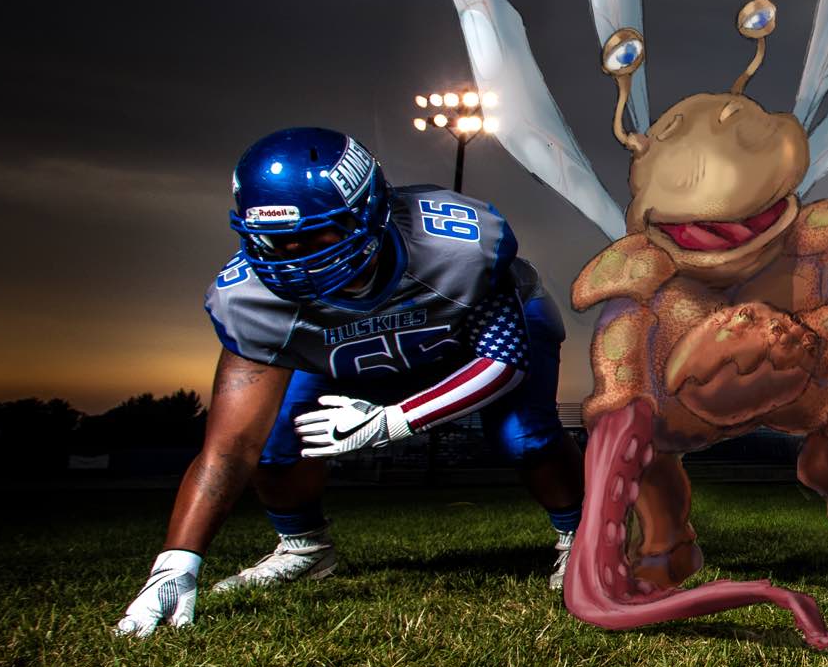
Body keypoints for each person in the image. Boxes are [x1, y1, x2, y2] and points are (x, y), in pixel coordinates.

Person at [115, 127, 585, 635]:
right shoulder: (248, 301)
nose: (295, 256)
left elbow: (504, 363)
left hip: (470, 343)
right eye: (276, 240)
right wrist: (176, 564)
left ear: (370, 210)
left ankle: (580, 535)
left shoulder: (458, 247)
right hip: (348, 362)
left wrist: (394, 421)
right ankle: (304, 547)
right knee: (276, 441)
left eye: (318, 235)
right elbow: (230, 449)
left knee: (523, 434)